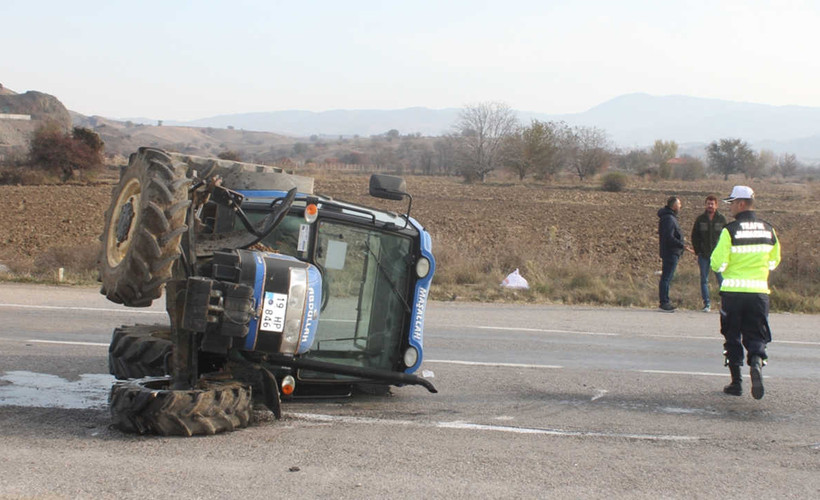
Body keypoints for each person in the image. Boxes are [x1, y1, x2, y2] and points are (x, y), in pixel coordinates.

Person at [711, 186, 781, 399]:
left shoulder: (729, 230)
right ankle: (757, 362)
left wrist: (727, 268)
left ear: (741, 204)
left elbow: (717, 263)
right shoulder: (769, 230)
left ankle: (736, 383)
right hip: (759, 293)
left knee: (732, 335)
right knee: (756, 333)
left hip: (733, 293)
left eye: (731, 203)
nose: (730, 207)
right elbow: (774, 261)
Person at [691, 195, 727, 312]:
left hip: (718, 255)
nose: (710, 206)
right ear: (705, 205)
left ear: (716, 205)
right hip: (704, 255)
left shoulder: (721, 219)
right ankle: (707, 304)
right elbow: (694, 236)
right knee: (704, 280)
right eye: (708, 204)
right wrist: (698, 250)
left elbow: (726, 237)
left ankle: (725, 304)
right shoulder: (700, 219)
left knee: (721, 280)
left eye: (712, 204)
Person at [657, 196, 686, 311]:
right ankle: (664, 302)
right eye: (679, 204)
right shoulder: (669, 219)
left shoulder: (670, 217)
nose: (680, 206)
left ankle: (665, 301)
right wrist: (681, 244)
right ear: (674, 206)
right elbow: (669, 237)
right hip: (670, 252)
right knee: (666, 278)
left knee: (667, 277)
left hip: (671, 252)